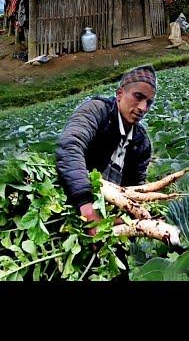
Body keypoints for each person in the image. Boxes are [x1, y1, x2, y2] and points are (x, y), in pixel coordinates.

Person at [55, 65, 156, 274]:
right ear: (120, 94)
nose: (143, 107)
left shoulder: (141, 142)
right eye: (138, 97)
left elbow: (136, 189)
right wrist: (86, 204)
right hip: (73, 204)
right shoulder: (97, 110)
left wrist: (133, 217)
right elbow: (70, 146)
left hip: (108, 221)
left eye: (149, 102)